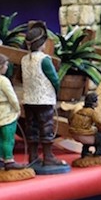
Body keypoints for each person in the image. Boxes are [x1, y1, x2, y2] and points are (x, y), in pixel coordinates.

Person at [21, 21, 66, 170]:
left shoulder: (24, 60)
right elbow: (54, 79)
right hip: (44, 100)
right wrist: (57, 92)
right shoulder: (44, 60)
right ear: (42, 43)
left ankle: (33, 157)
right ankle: (48, 157)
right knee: (46, 127)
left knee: (32, 128)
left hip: (29, 100)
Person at [68, 92, 101, 157]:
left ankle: (85, 151)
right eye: (97, 101)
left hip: (74, 133)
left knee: (90, 131)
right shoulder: (92, 112)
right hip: (83, 134)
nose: (97, 103)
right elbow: (100, 123)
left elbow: (70, 119)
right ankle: (98, 151)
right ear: (93, 103)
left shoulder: (79, 111)